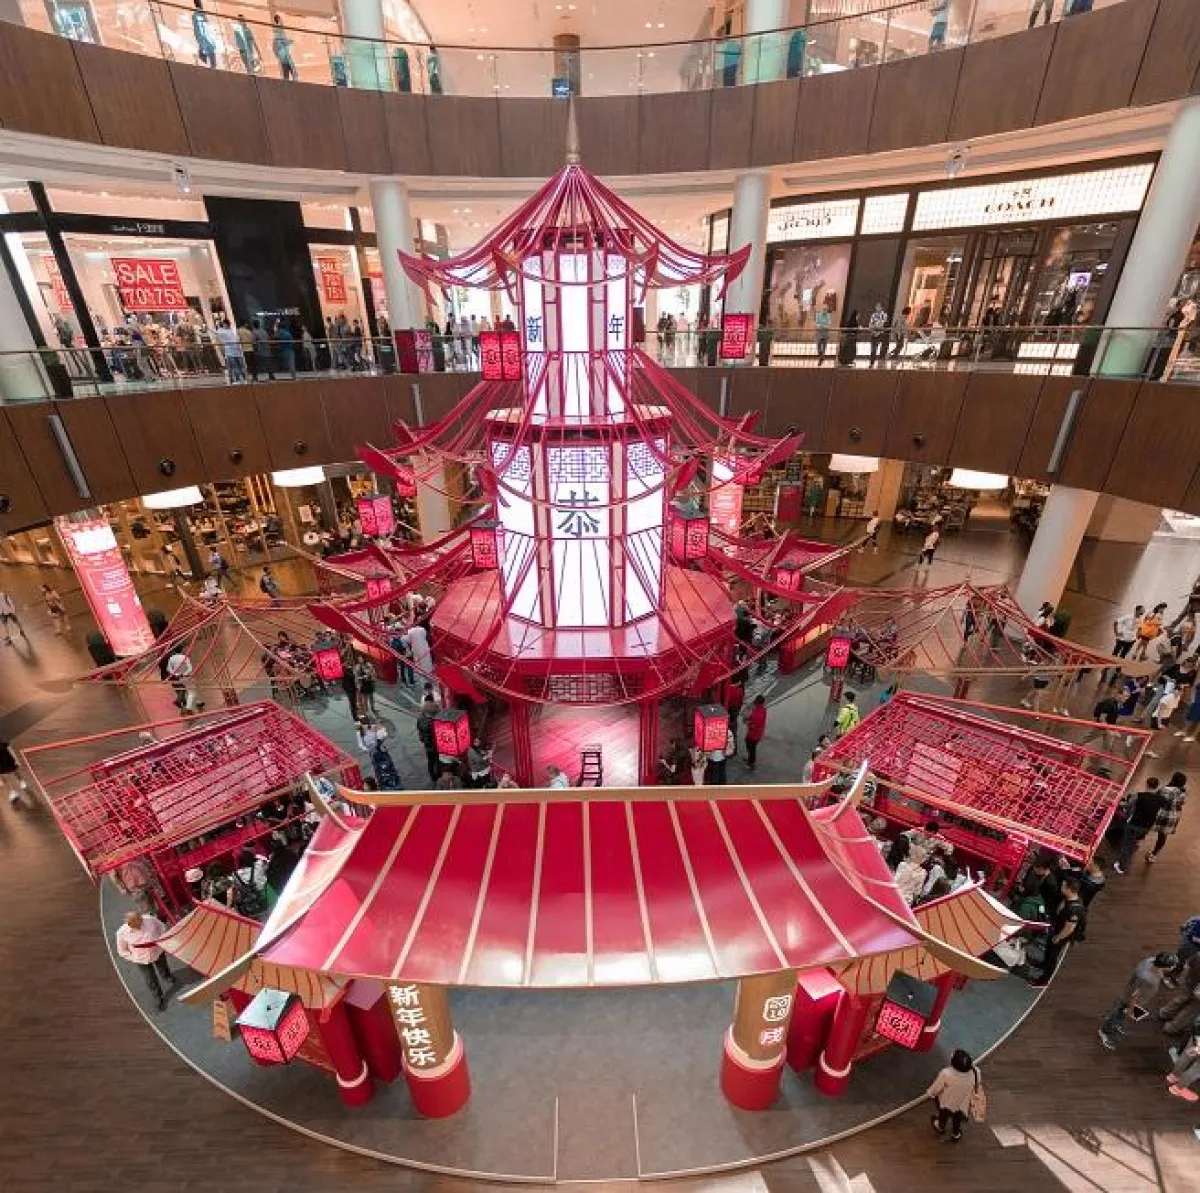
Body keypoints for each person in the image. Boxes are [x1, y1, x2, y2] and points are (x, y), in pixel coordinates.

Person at [1098, 951, 1178, 1049]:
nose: (1174, 966)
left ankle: (1116, 1025)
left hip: (1130, 995)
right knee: (1115, 1016)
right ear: (1165, 967)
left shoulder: (1151, 961)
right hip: (1126, 1000)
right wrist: (1131, 1011)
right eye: (1173, 965)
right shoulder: (1148, 979)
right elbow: (1134, 995)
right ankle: (1104, 1032)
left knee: (1120, 1016)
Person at [115, 910, 177, 1011]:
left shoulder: (149, 919)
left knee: (163, 965)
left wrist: (161, 938)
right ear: (129, 924)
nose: (141, 924)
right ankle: (158, 997)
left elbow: (161, 926)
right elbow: (122, 951)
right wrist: (134, 958)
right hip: (141, 959)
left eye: (140, 921)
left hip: (157, 950)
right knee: (150, 978)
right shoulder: (121, 933)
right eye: (137, 923)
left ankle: (166, 976)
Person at [1034, 876, 1085, 985]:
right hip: (1055, 927)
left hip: (1060, 934)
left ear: (1069, 889)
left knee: (1053, 956)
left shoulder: (1074, 909)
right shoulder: (1070, 898)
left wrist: (1058, 937)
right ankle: (1044, 964)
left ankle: (1044, 980)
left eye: (1063, 886)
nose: (1061, 887)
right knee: (1048, 949)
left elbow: (1069, 928)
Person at [1114, 778, 1166, 874]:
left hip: (1134, 824)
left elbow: (1127, 805)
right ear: (1157, 786)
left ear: (1147, 785)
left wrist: (1120, 803)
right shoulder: (1161, 799)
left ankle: (1122, 867)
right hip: (1146, 826)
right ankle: (1126, 860)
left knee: (1126, 845)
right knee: (1133, 843)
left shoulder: (1139, 796)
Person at [927, 1050, 980, 1141]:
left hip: (947, 1102)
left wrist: (930, 1093)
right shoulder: (976, 1071)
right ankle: (956, 1133)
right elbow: (977, 1083)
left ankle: (941, 1127)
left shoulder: (946, 1073)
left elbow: (937, 1087)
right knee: (957, 1117)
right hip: (963, 1103)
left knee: (943, 1115)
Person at [1147, 772, 1187, 862]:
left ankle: (1137, 842)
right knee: (1162, 836)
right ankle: (1153, 855)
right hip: (1173, 817)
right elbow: (1182, 803)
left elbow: (1157, 799)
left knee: (1146, 827)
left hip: (1161, 814)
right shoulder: (1183, 792)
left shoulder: (1165, 789)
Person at [165, 647, 203, 712]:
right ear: (181, 650)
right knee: (191, 692)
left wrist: (176, 674)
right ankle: (189, 708)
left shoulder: (171, 658)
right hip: (188, 676)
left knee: (192, 689)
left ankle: (199, 702)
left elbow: (168, 669)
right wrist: (185, 673)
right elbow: (190, 668)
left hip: (180, 677)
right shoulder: (185, 657)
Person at [0, 739, 31, 807]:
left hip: (8, 759)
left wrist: (16, 760)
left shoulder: (4, 744)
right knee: (3, 777)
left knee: (15, 771)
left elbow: (10, 750)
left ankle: (21, 781)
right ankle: (12, 791)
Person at [743, 695, 767, 769]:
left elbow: (755, 725)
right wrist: (748, 718)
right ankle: (750, 759)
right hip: (755, 733)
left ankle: (751, 763)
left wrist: (747, 722)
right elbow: (752, 716)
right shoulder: (760, 709)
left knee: (751, 748)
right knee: (749, 745)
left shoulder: (759, 712)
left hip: (754, 734)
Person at [192, 0, 217, 68]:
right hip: (206, 39)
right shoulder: (198, 15)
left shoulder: (200, 14)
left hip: (206, 39)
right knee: (212, 60)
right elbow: (200, 29)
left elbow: (201, 28)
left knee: (212, 59)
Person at [272, 14, 297, 80]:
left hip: (286, 56)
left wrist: (289, 42)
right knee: (290, 73)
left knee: (292, 74)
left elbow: (283, 42)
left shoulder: (280, 32)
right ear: (278, 21)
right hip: (284, 57)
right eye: (280, 20)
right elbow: (279, 43)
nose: (282, 22)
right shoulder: (278, 31)